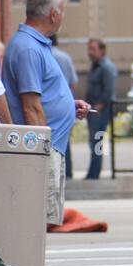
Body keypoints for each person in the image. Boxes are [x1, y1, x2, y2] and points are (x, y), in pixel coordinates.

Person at [1, 0, 91, 266]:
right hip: (43, 148)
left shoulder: (36, 45)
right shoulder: (27, 48)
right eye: (63, 11)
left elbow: (45, 97)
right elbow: (30, 106)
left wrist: (70, 104)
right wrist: (41, 151)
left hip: (51, 146)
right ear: (53, 14)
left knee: (41, 218)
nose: (63, 16)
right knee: (36, 218)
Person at [83, 38, 117, 180]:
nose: (90, 52)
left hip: (100, 111)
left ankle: (94, 173)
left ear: (102, 50)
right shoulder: (95, 66)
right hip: (93, 109)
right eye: (89, 49)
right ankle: (93, 171)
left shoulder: (106, 67)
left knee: (97, 141)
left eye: (93, 49)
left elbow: (109, 90)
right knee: (93, 142)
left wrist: (99, 106)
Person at [50, 35, 78, 177]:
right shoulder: (65, 57)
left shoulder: (45, 55)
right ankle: (68, 173)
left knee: (51, 142)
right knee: (65, 141)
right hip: (65, 106)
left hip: (48, 107)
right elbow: (73, 82)